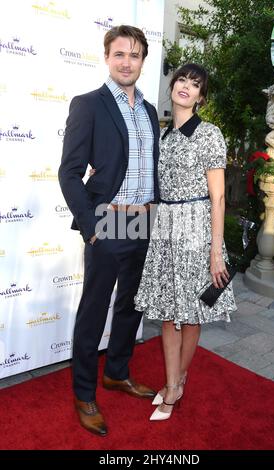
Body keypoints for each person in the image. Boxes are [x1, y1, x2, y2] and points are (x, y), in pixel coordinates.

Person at [58, 25, 160, 436]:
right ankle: (84, 393)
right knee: (94, 309)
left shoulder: (150, 111)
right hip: (109, 219)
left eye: (134, 56)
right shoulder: (89, 105)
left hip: (144, 219)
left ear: (142, 61)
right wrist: (93, 225)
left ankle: (116, 371)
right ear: (107, 57)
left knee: (131, 305)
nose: (126, 62)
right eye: (119, 54)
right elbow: (69, 173)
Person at [134, 63, 237, 421]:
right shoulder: (163, 135)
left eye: (195, 85)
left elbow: (219, 197)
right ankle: (174, 378)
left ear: (200, 97)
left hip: (197, 229)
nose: (186, 87)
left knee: (191, 314)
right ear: (172, 85)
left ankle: (175, 386)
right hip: (166, 228)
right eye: (182, 80)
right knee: (166, 313)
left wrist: (215, 251)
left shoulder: (208, 133)